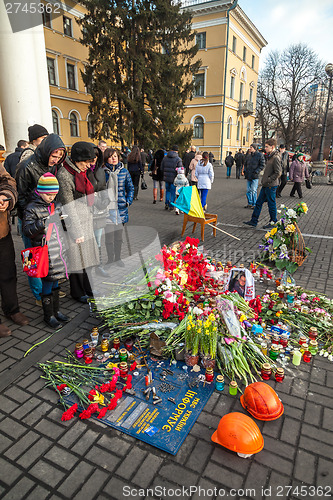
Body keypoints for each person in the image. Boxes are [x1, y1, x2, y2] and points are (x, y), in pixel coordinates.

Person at [16, 134, 66, 305]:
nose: (56, 160)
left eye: (60, 157)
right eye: (54, 156)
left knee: (51, 256)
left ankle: (51, 290)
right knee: (34, 258)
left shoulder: (52, 166)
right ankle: (38, 295)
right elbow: (20, 198)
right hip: (31, 218)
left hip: (48, 216)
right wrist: (30, 220)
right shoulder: (26, 166)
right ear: (46, 151)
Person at [22, 173, 69, 328]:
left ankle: (56, 311)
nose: (51, 197)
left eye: (54, 194)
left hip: (57, 250)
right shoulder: (31, 208)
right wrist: (44, 222)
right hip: (43, 252)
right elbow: (28, 230)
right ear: (40, 191)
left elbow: (62, 226)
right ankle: (48, 316)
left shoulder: (57, 204)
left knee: (56, 281)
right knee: (47, 283)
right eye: (48, 194)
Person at [57, 141, 99, 303]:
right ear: (76, 159)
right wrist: (77, 231)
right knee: (76, 258)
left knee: (87, 256)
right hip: (74, 223)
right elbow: (68, 207)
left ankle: (88, 288)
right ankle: (77, 291)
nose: (88, 166)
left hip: (86, 219)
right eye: (85, 162)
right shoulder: (65, 175)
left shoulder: (77, 171)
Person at [0, 164, 29, 337]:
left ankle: (12, 309)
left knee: (8, 273)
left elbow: (7, 180)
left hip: (1, 231)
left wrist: (5, 196)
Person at [104, 148, 134, 267]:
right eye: (111, 156)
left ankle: (118, 258)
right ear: (106, 158)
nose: (114, 158)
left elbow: (130, 188)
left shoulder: (124, 172)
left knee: (118, 237)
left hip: (120, 208)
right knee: (109, 237)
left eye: (115, 156)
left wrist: (128, 201)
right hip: (107, 209)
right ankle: (110, 259)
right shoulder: (102, 172)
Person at [243, 138, 281, 229]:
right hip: (266, 185)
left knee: (271, 204)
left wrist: (268, 179)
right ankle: (254, 220)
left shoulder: (275, 157)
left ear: (272, 147)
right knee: (259, 203)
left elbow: (278, 172)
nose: (265, 148)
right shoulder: (270, 156)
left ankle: (273, 221)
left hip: (270, 185)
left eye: (267, 147)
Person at [87, 147, 109, 277]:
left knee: (98, 241)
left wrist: (104, 201)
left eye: (96, 156)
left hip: (99, 212)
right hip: (87, 212)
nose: (93, 159)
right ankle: (89, 269)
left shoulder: (100, 171)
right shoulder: (82, 171)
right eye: (91, 156)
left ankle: (98, 266)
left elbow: (104, 188)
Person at [243, 144, 265, 209]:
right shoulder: (249, 156)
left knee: (253, 190)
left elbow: (262, 165)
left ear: (255, 148)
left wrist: (256, 171)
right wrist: (245, 171)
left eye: (251, 147)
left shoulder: (260, 155)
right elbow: (246, 164)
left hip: (255, 176)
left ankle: (254, 204)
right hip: (249, 175)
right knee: (248, 190)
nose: (250, 148)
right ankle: (250, 203)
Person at [161, 145, 182, 211]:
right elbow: (180, 170)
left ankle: (167, 202)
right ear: (177, 151)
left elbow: (162, 168)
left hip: (166, 177)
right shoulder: (178, 159)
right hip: (174, 178)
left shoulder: (165, 158)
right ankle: (171, 205)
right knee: (173, 192)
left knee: (168, 190)